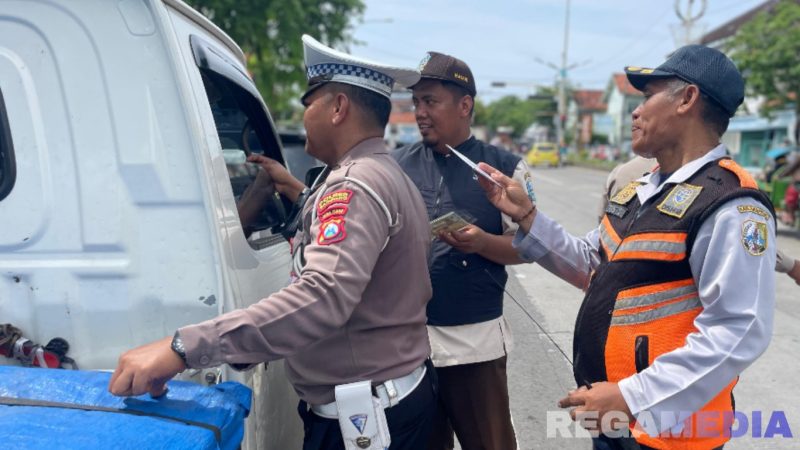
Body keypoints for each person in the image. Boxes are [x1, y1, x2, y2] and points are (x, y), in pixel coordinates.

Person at [109, 34, 437, 450]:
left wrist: (184, 347)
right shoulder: (383, 174)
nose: (304, 118)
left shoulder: (354, 184)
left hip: (367, 421)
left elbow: (322, 296)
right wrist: (296, 192)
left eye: (309, 105)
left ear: (338, 108)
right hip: (390, 399)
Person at [476, 45, 776, 449]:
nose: (636, 112)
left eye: (647, 96)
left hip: (675, 433)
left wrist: (633, 396)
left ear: (688, 99)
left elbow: (738, 329)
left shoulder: (730, 204)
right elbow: (591, 263)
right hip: (618, 420)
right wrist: (528, 216)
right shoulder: (640, 191)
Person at [393, 52, 531, 450]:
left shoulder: (504, 168)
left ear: (464, 105)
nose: (420, 112)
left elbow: (528, 247)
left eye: (430, 101)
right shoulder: (397, 165)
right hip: (409, 348)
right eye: (416, 102)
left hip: (475, 345)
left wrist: (483, 243)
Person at [601, 156, 800, 286]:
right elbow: (746, 240)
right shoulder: (704, 176)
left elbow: (603, 227)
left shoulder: (622, 172)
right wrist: (791, 266)